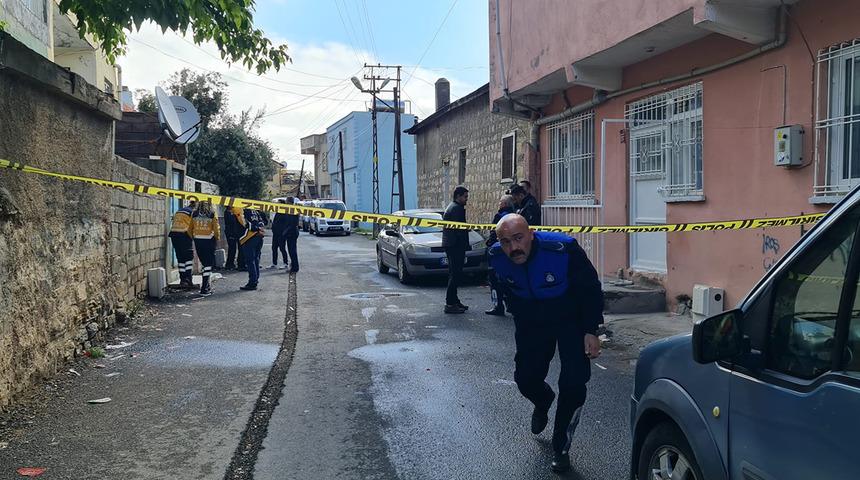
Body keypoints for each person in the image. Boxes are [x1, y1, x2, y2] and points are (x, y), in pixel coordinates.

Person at [489, 214, 603, 473]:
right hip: (532, 320)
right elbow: (503, 285)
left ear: (531, 234)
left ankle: (561, 447)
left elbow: (590, 288)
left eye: (518, 238)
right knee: (526, 379)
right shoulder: (496, 256)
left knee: (574, 382)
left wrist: (591, 330)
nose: (513, 247)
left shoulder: (562, 249)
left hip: (570, 318)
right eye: (506, 242)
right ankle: (543, 401)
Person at [485, 194, 515, 316]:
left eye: (500, 202)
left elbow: (494, 233)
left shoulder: (499, 216)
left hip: (498, 251)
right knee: (509, 279)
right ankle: (511, 305)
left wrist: (489, 245)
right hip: (510, 251)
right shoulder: (515, 215)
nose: (499, 204)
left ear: (505, 204)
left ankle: (498, 306)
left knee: (495, 281)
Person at [442, 185, 470, 314]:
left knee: (454, 274)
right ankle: (450, 303)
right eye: (465, 197)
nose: (466, 199)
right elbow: (459, 230)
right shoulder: (456, 209)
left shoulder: (453, 207)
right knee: (455, 274)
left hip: (452, 245)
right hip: (455, 246)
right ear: (458, 196)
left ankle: (454, 300)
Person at [191, 200, 221, 296]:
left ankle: (206, 286)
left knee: (204, 263)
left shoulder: (194, 213)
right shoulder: (212, 214)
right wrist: (217, 237)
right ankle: (204, 288)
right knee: (208, 264)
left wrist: (194, 236)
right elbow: (216, 228)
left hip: (198, 241)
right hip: (209, 241)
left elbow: (189, 228)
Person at [168, 200, 197, 288]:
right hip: (184, 234)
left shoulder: (180, 210)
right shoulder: (193, 212)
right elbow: (194, 226)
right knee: (188, 258)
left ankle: (183, 280)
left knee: (180, 258)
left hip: (174, 234)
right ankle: (188, 279)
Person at [239, 208, 267, 291]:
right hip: (259, 237)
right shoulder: (256, 211)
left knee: (250, 261)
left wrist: (256, 228)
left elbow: (245, 223)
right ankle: (255, 280)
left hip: (249, 238)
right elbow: (262, 222)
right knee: (255, 260)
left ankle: (252, 283)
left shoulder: (242, 211)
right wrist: (259, 229)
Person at [269, 200, 289, 269]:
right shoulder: (277, 211)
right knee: (274, 248)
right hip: (275, 233)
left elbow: (286, 223)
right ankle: (274, 263)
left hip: (281, 234)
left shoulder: (285, 212)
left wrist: (284, 233)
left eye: (279, 203)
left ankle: (285, 263)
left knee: (282, 248)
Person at [224, 206, 245, 271]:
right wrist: (237, 215)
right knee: (232, 249)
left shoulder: (237, 211)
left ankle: (241, 264)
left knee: (241, 248)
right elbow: (231, 221)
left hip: (238, 232)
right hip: (231, 233)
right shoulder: (227, 212)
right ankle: (229, 264)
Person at [284, 197, 301, 272]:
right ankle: (294, 265)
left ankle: (295, 267)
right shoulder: (293, 209)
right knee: (292, 250)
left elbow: (292, 223)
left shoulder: (292, 210)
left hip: (291, 232)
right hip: (293, 231)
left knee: (292, 251)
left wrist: (285, 232)